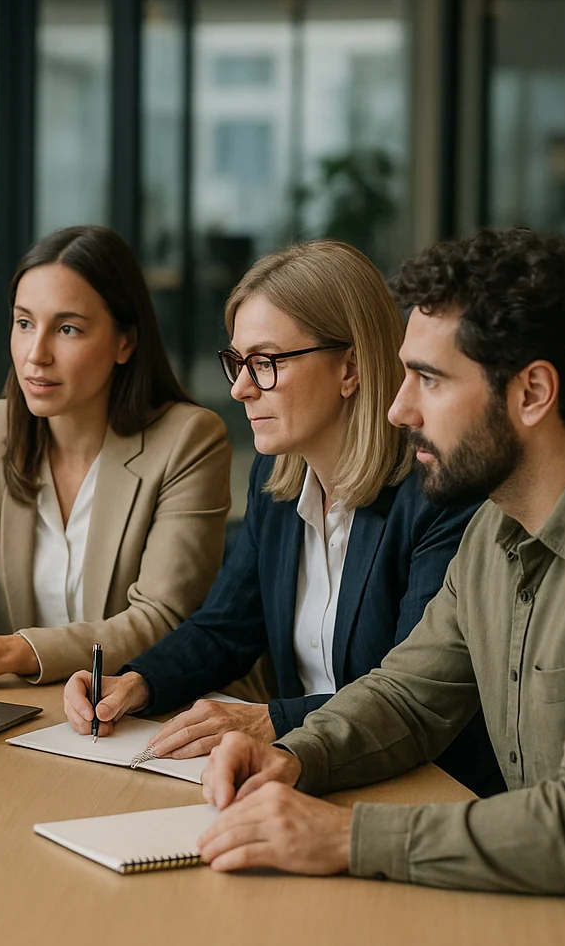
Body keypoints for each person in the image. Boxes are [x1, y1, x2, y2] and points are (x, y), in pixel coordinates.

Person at [193, 228, 565, 946]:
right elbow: (406, 698)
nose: (398, 410)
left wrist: (343, 838)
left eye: (428, 380)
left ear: (532, 392)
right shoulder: (498, 523)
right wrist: (290, 757)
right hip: (530, 906)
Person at [62, 240, 500, 794]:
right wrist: (138, 682)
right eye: (237, 362)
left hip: (421, 789)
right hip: (301, 777)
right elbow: (225, 628)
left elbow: (409, 694)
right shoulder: (276, 482)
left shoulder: (436, 494)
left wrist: (271, 720)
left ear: (351, 367)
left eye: (265, 363)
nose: (240, 388)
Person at [0, 225, 230, 683]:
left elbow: (161, 620)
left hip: (138, 714)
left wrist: (14, 652)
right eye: (24, 323)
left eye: (67, 328)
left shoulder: (187, 440)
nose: (36, 354)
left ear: (125, 342)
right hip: (28, 715)